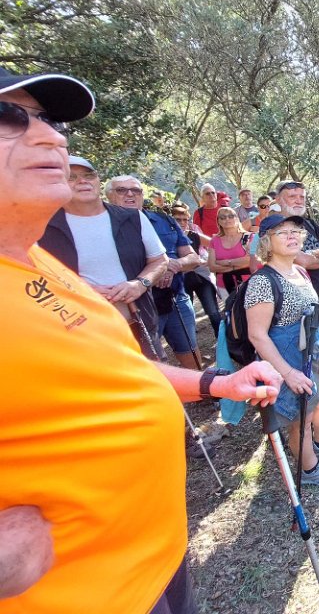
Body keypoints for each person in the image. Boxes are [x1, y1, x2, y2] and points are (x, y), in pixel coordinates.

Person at [0, 65, 282, 612]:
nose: (52, 137)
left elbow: (117, 371)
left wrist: (216, 383)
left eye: (51, 121)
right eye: (10, 116)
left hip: (160, 562)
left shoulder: (37, 260)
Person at [246, 214, 319, 489]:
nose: (292, 235)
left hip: (310, 351)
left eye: (295, 231)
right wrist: (288, 373)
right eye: (282, 232)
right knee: (301, 418)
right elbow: (257, 335)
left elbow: (311, 314)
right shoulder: (262, 281)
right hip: (286, 358)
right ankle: (309, 469)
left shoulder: (300, 271)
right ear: (266, 241)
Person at [39, 155, 168, 359]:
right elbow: (35, 279)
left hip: (139, 324)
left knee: (157, 375)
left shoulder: (133, 218)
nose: (82, 181)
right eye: (71, 177)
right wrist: (79, 291)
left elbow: (160, 260)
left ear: (98, 180)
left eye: (88, 175)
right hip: (82, 334)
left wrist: (139, 284)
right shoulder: (42, 228)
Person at [108, 176, 202, 369]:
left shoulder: (164, 220)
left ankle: (202, 387)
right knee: (148, 360)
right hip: (135, 305)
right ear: (109, 195)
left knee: (190, 351)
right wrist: (154, 275)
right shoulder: (101, 227)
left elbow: (193, 258)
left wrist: (172, 265)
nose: (130, 194)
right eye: (121, 190)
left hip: (175, 299)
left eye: (136, 190)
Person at [272, 181, 319, 315]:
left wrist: (311, 254)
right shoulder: (275, 228)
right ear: (278, 199)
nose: (299, 201)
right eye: (292, 196)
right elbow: (304, 262)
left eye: (302, 197)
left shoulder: (309, 223)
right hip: (295, 301)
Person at [171, 203, 222, 337]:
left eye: (185, 219)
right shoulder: (166, 238)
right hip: (180, 280)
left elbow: (215, 244)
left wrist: (209, 260)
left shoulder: (194, 235)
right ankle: (191, 345)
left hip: (201, 277)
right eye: (178, 219)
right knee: (186, 315)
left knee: (213, 311)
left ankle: (223, 342)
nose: (182, 223)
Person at [207, 206, 252, 296]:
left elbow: (251, 261)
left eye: (231, 216)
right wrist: (235, 266)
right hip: (224, 285)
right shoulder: (214, 241)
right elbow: (212, 266)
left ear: (237, 218)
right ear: (218, 221)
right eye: (222, 217)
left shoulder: (249, 237)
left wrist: (225, 262)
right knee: (230, 305)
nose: (227, 219)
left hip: (249, 283)